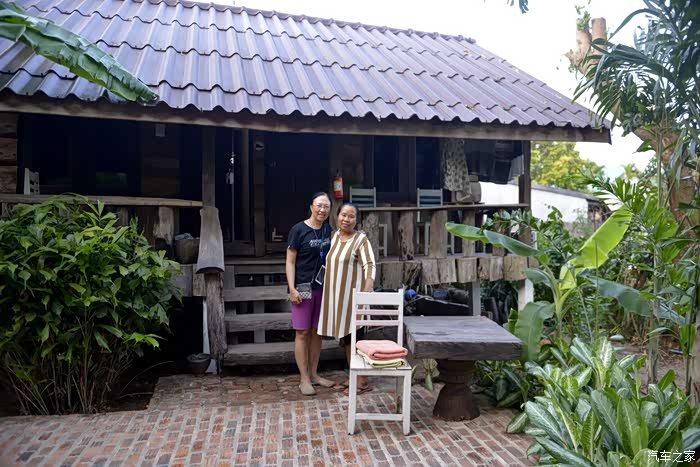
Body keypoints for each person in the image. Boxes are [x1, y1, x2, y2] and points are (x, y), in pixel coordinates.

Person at [318, 203, 376, 395]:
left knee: (355, 339)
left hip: (354, 298)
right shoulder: (334, 237)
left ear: (356, 220)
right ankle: (355, 376)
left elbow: (369, 265)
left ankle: (362, 381)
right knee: (346, 339)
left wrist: (367, 288)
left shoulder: (361, 239)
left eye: (351, 216)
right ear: (337, 216)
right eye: (344, 215)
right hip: (337, 299)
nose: (346, 219)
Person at [286, 192, 336, 396]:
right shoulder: (298, 230)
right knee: (302, 332)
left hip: (322, 287)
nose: (322, 210)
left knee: (317, 331)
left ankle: (314, 374)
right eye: (319, 205)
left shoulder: (328, 229)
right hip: (302, 287)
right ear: (311, 207)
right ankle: (304, 378)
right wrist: (292, 288)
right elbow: (290, 261)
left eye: (326, 206)